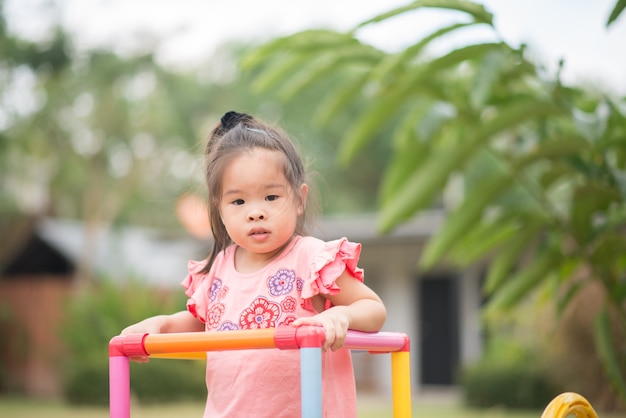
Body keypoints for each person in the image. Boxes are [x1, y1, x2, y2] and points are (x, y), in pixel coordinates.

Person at [120, 111, 387, 417]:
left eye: (271, 197)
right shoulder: (219, 266)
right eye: (238, 202)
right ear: (218, 208)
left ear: (299, 199)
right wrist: (161, 325)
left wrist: (340, 316)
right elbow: (202, 325)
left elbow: (373, 309)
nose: (255, 212)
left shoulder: (311, 258)